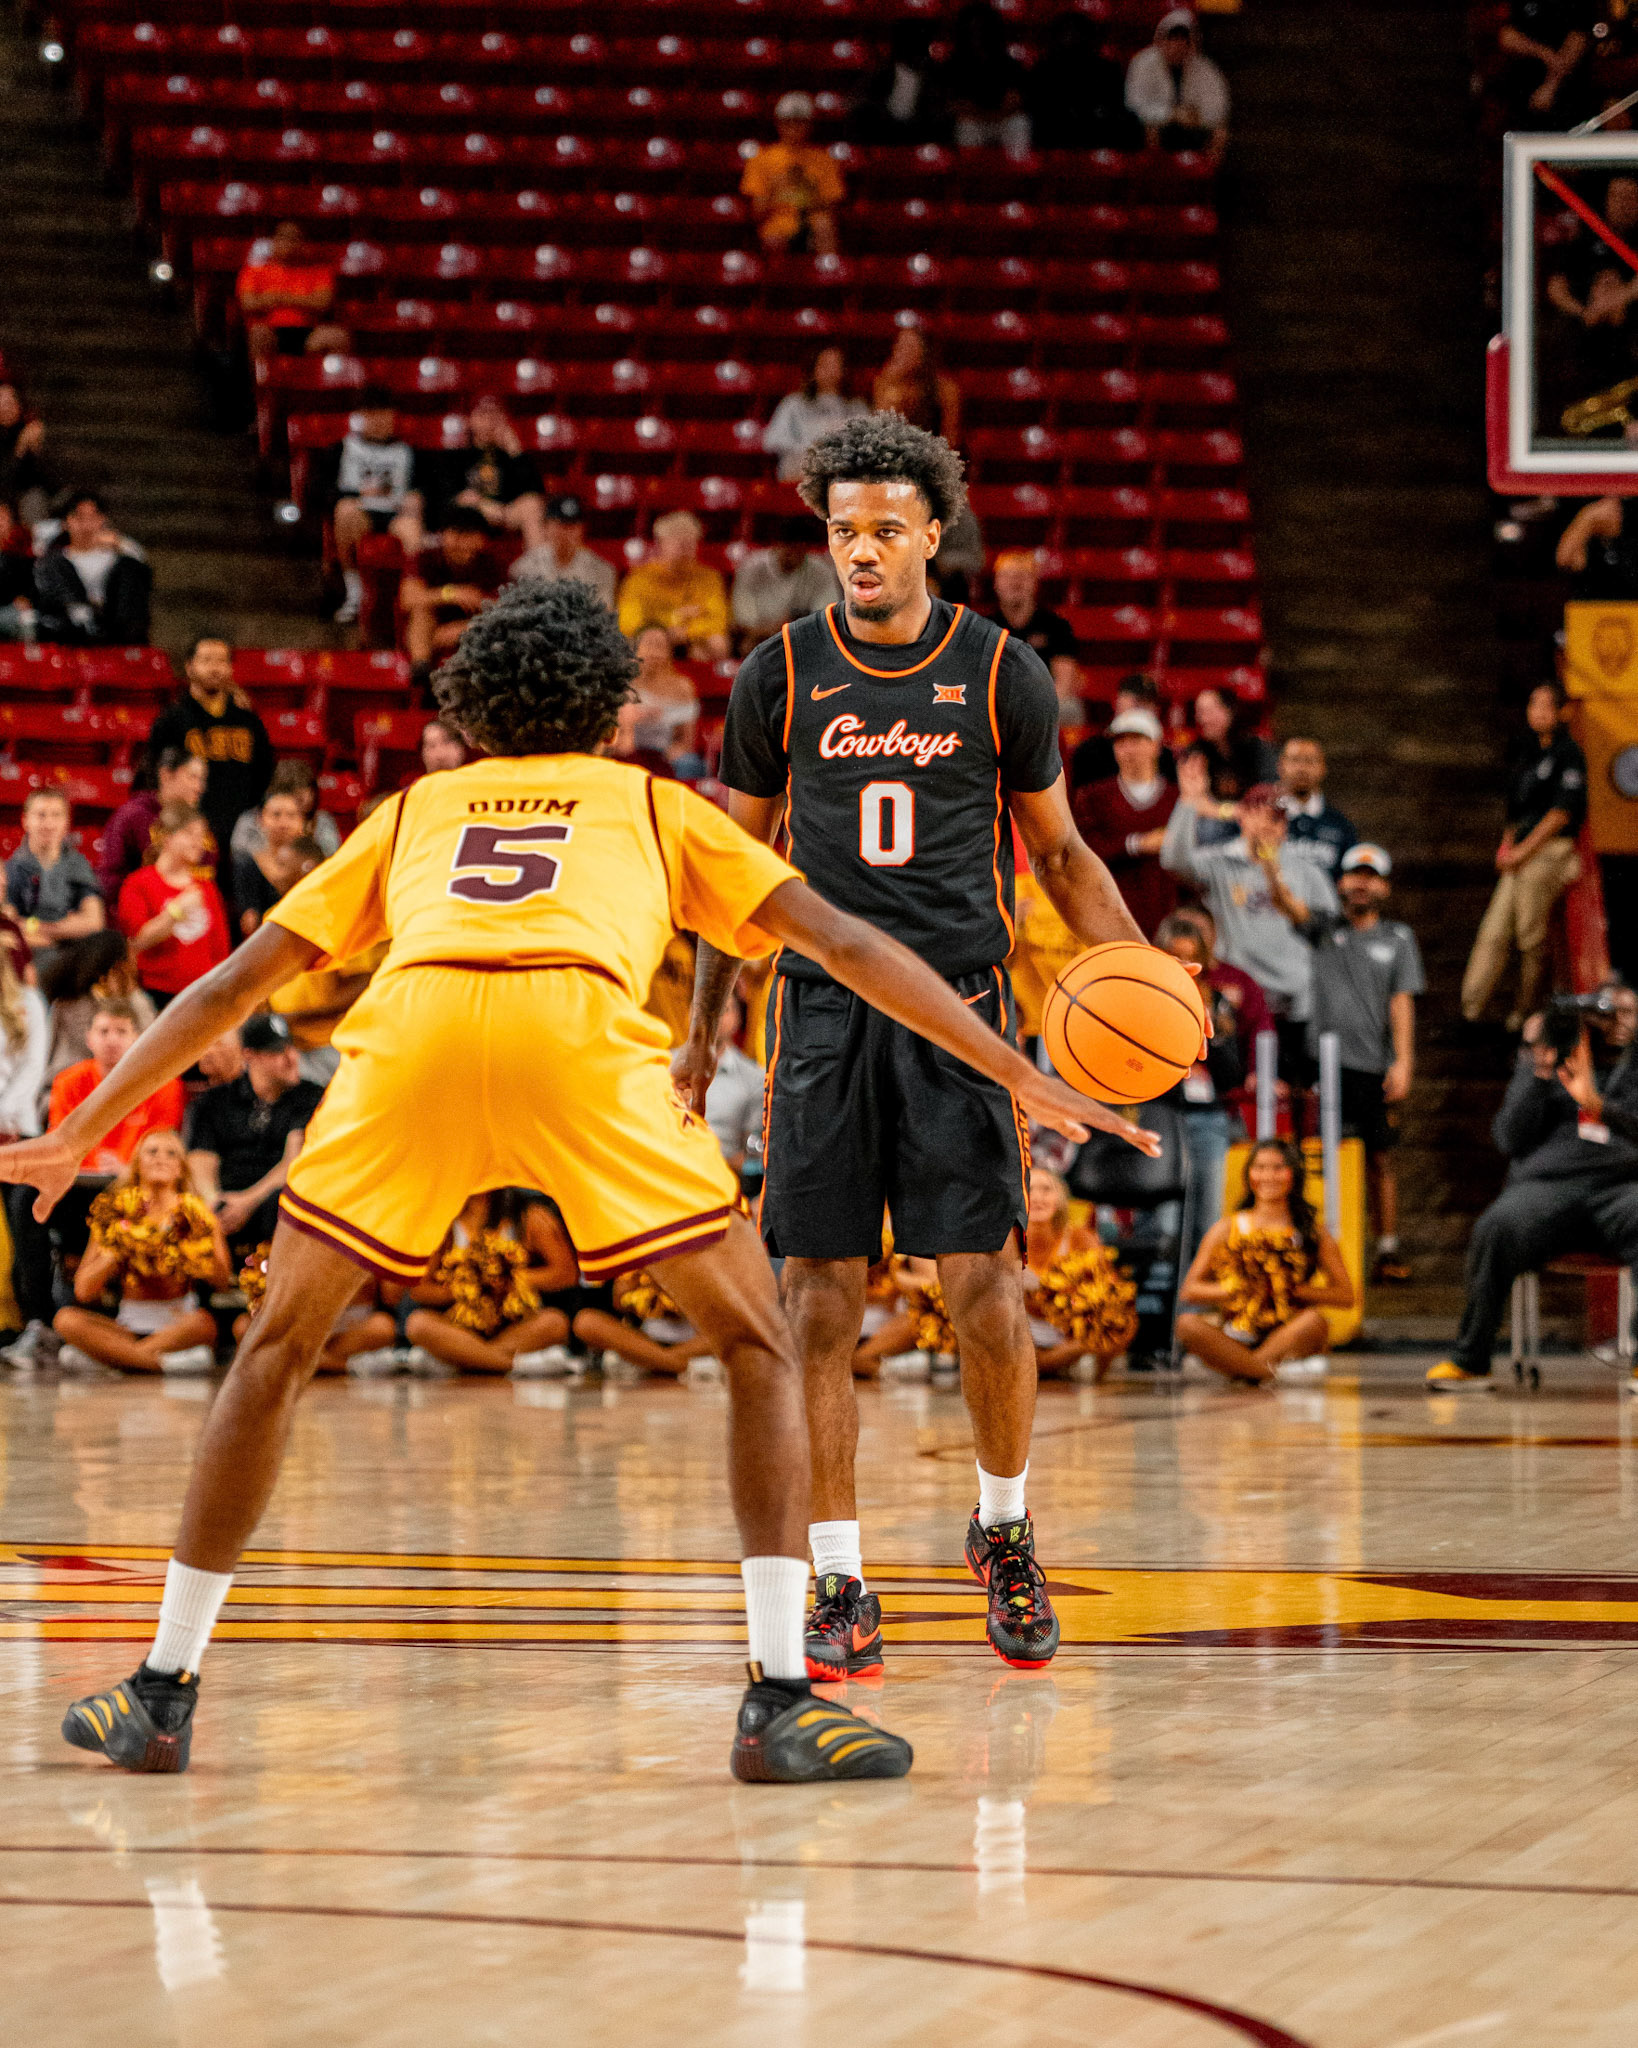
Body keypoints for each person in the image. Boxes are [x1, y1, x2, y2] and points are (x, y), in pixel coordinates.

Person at [10, 577, 1110, 1784]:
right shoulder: (653, 804)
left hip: (415, 1040)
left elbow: (227, 987)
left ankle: (163, 1686)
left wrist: (84, 1127)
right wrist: (1019, 1067)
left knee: (274, 1347)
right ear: (611, 708)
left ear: (473, 712)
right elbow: (847, 942)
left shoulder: (414, 808)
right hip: (576, 1038)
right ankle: (781, 1697)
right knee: (758, 1341)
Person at [675, 410, 1168, 1683]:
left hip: (960, 1010)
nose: (864, 552)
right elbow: (735, 870)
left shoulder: (1002, 670)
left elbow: (1059, 852)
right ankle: (839, 1570)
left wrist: (1139, 974)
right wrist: (700, 1030)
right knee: (817, 1300)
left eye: (888, 529)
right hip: (824, 1016)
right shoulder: (777, 672)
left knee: (986, 1290)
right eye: (844, 532)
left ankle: (1003, 1533)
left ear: (935, 534)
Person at [1428, 1003, 1638, 1386]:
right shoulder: (1541, 1069)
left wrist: (1597, 1104)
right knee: (1497, 1225)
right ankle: (1472, 1361)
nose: (1612, 1022)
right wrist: (1540, 1071)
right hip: (1545, 1190)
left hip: (1621, 1188)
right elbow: (1508, 1138)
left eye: (1623, 1012)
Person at [1262, 842, 1425, 1283]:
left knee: (1381, 1158)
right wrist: (1268, 864)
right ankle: (1309, 1241)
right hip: (1321, 1065)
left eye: (1370, 876)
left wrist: (1404, 1062)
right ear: (1341, 883)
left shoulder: (1398, 938)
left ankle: (1387, 1249)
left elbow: (1402, 1003)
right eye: (1354, 874)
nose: (1361, 883)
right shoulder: (1324, 927)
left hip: (1372, 1065)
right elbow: (1287, 905)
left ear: (1384, 887)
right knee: (1314, 1155)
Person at [1162, 757, 1337, 1082]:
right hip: (1239, 996)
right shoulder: (1221, 860)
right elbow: (1173, 859)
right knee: (1239, 1086)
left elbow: (1326, 928)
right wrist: (1188, 804)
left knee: (1294, 1089)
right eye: (1264, 814)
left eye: (1279, 819)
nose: (1272, 824)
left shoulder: (1306, 870)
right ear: (1244, 816)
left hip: (1293, 998)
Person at [1461, 680, 1588, 1030]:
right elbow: (1515, 814)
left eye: (1547, 706)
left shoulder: (1569, 753)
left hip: (1550, 852)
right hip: (1519, 853)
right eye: (1534, 704)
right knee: (1493, 930)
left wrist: (1522, 853)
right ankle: (1470, 1011)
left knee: (1529, 936)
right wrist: (1507, 849)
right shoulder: (1526, 752)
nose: (1539, 712)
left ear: (1563, 711)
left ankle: (1524, 1012)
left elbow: (1561, 813)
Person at [53, 1130, 229, 1376]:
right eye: (152, 1152)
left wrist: (192, 1249)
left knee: (205, 1324)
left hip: (180, 1327)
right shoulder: (115, 1214)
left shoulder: (198, 1215)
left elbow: (222, 1282)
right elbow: (83, 1290)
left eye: (171, 1153)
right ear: (136, 1165)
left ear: (181, 1168)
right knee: (65, 1320)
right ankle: (160, 1364)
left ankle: (115, 1358)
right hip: (127, 1326)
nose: (161, 1158)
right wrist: (116, 1250)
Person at [1176, 1139, 1353, 1383]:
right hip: (1236, 1330)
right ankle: (1262, 1371)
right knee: (1186, 1324)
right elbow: (1190, 1290)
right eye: (1259, 1167)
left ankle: (1242, 1368)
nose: (1268, 1176)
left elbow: (1346, 1296)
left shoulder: (1313, 1232)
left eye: (1278, 1168)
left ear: (1294, 1174)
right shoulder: (1227, 1227)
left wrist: (1293, 1289)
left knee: (1314, 1322)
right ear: (1249, 1174)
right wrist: (1238, 1289)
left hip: (1286, 1329)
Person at [400, 1189, 588, 1377]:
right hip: (460, 1326)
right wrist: (462, 1287)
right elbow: (418, 1289)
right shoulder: (442, 1220)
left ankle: (461, 1359)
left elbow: (567, 1273)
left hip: (515, 1324)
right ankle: (515, 1365)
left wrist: (514, 1278)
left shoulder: (528, 1215)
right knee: (418, 1324)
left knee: (555, 1322)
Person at [1156, 911, 1251, 1269]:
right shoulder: (1145, 1001)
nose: (1185, 965)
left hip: (1209, 1120)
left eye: (1191, 957)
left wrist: (1208, 1023)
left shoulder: (1217, 1002)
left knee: (1207, 1220)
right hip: (1162, 1119)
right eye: (1175, 956)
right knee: (1164, 1225)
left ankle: (1194, 1312)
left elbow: (1231, 1075)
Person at [185, 1012, 324, 1254]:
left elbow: (293, 1163)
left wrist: (246, 1202)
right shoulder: (214, 1101)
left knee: (287, 1200)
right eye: (277, 1052)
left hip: (273, 1205)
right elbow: (200, 1161)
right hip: (222, 1206)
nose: (291, 1058)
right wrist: (215, 1203)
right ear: (250, 1056)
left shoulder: (310, 1097)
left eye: (291, 1048)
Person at [147, 636, 276, 884]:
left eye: (221, 661)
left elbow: (265, 774)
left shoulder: (249, 721)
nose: (215, 668)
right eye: (206, 660)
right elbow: (155, 775)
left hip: (240, 831)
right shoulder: (171, 720)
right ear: (190, 667)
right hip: (192, 829)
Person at [1072, 708, 1179, 936]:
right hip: (1111, 911)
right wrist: (1136, 844)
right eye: (1121, 741)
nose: (1128, 749)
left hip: (1165, 912)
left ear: (1156, 745)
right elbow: (1084, 849)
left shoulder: (1176, 798)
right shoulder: (1093, 796)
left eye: (1137, 739)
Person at [47, 997, 186, 1173]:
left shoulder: (163, 1085)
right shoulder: (67, 1081)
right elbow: (58, 1139)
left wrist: (129, 1171)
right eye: (103, 1031)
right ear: (88, 1038)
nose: (112, 1040)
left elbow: (164, 1146)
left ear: (137, 1038)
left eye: (121, 1032)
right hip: (76, 1180)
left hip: (139, 1182)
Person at [116, 802, 232, 1007]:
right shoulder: (139, 882)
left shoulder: (207, 888)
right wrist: (177, 911)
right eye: (189, 834)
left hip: (202, 994)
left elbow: (220, 951)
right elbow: (137, 940)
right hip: (156, 993)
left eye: (201, 835)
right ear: (167, 837)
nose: (198, 843)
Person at [401, 396, 546, 557]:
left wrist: (515, 451)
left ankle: (539, 570)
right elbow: (450, 495)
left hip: (503, 515)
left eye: (495, 414)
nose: (490, 421)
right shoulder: (457, 454)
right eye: (483, 414)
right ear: (471, 419)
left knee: (532, 505)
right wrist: (483, 506)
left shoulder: (512, 457)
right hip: (469, 517)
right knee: (466, 499)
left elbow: (535, 491)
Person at [325, 396, 418, 626]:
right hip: (360, 510)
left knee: (413, 527)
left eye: (385, 414)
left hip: (396, 513)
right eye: (373, 414)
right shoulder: (344, 447)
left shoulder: (406, 451)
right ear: (362, 417)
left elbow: (423, 488)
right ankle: (354, 591)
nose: (379, 421)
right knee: (345, 510)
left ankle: (412, 591)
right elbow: (322, 491)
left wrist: (417, 497)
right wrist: (359, 494)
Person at [5, 787, 105, 973]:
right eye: (41, 815)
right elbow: (8, 930)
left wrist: (33, 926)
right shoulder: (10, 870)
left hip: (74, 957)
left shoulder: (79, 865)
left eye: (56, 815)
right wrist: (66, 927)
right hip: (29, 960)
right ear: (25, 820)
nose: (49, 824)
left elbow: (94, 922)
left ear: (67, 822)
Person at [33, 491, 152, 647]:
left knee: (130, 568)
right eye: (79, 518)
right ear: (66, 522)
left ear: (102, 519)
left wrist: (118, 543)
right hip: (72, 629)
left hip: (114, 627)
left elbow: (143, 564)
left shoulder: (118, 557)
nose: (86, 525)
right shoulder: (55, 561)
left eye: (92, 517)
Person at [99, 747, 209, 906]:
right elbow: (110, 878)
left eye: (202, 779)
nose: (199, 788)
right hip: (145, 912)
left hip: (194, 913)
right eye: (192, 777)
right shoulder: (132, 815)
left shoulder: (200, 821)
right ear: (166, 776)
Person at [616, 510, 731, 661]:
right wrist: (671, 624)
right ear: (660, 543)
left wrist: (687, 632)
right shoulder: (639, 578)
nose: (684, 548)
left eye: (690, 542)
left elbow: (718, 622)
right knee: (630, 646)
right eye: (677, 541)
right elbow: (627, 622)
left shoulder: (710, 578)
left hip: (691, 642)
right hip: (651, 639)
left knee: (718, 644)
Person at [397, 507, 504, 669]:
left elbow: (503, 610)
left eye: (470, 535)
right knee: (421, 612)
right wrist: (452, 593)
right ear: (443, 535)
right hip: (429, 629)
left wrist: (465, 627)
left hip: (470, 626)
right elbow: (408, 599)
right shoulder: (425, 558)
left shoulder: (491, 564)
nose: (463, 542)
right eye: (457, 534)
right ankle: (421, 669)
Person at [740, 91, 844, 257]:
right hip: (778, 223)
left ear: (810, 125)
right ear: (778, 123)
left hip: (813, 221)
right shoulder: (761, 159)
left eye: (800, 122)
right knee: (774, 240)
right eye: (788, 122)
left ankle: (827, 279)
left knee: (824, 227)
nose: (794, 128)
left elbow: (832, 205)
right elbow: (757, 212)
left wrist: (807, 188)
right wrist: (775, 188)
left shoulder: (824, 160)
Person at [1026, 10, 1141, 152]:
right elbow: (1037, 105)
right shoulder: (1043, 68)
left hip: (1095, 125)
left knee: (1129, 122)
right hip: (1055, 127)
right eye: (1067, 34)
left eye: (1078, 33)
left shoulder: (1107, 69)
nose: (1072, 38)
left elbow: (1114, 104)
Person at [235, 219, 347, 365]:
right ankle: (262, 385)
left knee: (337, 336)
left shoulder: (319, 271)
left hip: (309, 332)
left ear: (303, 243)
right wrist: (303, 300)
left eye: (295, 238)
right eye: (283, 237)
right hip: (269, 330)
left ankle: (327, 385)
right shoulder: (253, 271)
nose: (288, 243)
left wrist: (278, 298)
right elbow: (248, 304)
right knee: (258, 334)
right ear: (274, 241)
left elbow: (322, 303)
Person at [1125, 7, 1230, 160]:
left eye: (1183, 40)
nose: (1177, 45)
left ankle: (1204, 178)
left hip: (1191, 130)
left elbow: (1218, 109)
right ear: (1161, 40)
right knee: (1149, 130)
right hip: (1158, 127)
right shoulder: (1143, 63)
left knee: (1220, 133)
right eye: (1172, 39)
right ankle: (1154, 171)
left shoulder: (1206, 69)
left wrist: (1195, 117)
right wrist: (1171, 114)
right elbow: (1135, 104)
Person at [988, 552, 1081, 718]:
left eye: (1023, 576)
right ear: (996, 583)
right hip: (997, 703)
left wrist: (1035, 712)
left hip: (1044, 703)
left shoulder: (1057, 626)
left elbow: (1064, 682)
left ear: (1035, 583)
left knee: (1070, 710)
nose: (1015, 582)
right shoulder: (984, 627)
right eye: (1008, 576)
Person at [762, 349, 867, 484]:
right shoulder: (793, 404)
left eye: (836, 365)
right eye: (825, 365)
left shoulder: (857, 407)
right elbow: (772, 441)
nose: (831, 371)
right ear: (814, 369)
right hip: (802, 474)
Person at [940, 0, 1032, 153]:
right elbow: (955, 107)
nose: (977, 35)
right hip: (972, 123)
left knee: (1019, 122)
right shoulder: (953, 65)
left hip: (1001, 120)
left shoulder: (1009, 64)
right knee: (966, 126)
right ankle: (970, 173)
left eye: (981, 30)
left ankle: (1016, 173)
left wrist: (986, 115)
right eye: (972, 30)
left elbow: (1014, 103)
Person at [731, 526, 842, 650]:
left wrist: (789, 628)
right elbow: (743, 621)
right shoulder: (752, 567)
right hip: (757, 638)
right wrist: (775, 629)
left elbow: (826, 618)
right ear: (776, 545)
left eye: (798, 549)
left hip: (801, 637)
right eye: (788, 548)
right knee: (748, 646)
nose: (793, 554)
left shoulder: (820, 571)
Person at [1068, 674, 1177, 793]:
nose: (1140, 710)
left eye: (1148, 704)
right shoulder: (1090, 752)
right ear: (1116, 702)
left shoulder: (1165, 757)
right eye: (1136, 702)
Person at [508, 493, 617, 608]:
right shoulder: (525, 568)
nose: (566, 533)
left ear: (582, 529)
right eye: (560, 525)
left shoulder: (600, 571)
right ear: (546, 527)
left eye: (573, 526)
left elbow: (602, 615)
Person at [1189, 685, 1278, 821]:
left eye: (1208, 712)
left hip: (1254, 821)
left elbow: (1269, 793)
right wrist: (1231, 812)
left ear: (1229, 711)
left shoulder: (1257, 747)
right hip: (1213, 822)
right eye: (1199, 713)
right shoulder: (1196, 751)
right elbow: (1194, 803)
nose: (1202, 719)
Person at [231, 788, 310, 938]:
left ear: (302, 820)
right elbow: (248, 926)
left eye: (291, 815)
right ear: (260, 819)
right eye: (276, 815)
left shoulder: (313, 864)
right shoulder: (246, 864)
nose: (283, 823)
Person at [230, 758, 340, 865]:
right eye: (296, 797)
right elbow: (241, 857)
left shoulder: (322, 821)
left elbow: (331, 860)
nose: (306, 798)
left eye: (309, 790)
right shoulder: (250, 821)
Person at [1276, 736, 1358, 878]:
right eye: (1295, 760)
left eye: (1310, 761)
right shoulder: (1265, 820)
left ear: (1323, 768)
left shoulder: (1341, 825)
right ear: (1280, 766)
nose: (1302, 769)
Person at [703, 992, 764, 1177]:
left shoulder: (754, 1077)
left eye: (724, 1010)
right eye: (704, 1007)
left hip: (722, 1179)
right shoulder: (663, 1066)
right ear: (690, 1013)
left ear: (737, 1018)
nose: (713, 1015)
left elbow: (752, 1156)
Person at [872, 327, 961, 448]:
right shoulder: (886, 381)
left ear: (923, 352)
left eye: (909, 347)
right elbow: (882, 428)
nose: (903, 353)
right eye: (900, 347)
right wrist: (892, 384)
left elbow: (950, 437)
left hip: (934, 456)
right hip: (896, 453)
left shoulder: (945, 388)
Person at [628, 627, 702, 772]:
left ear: (669, 652)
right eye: (648, 644)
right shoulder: (626, 684)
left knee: (688, 764)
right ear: (635, 649)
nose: (654, 652)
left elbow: (687, 741)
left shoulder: (683, 687)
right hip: (632, 751)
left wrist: (674, 752)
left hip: (667, 753)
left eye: (660, 646)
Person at [0, 383, 54, 524]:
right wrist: (19, 450)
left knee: (34, 499)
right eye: (1, 403)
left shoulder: (32, 430)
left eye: (9, 403)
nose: (5, 408)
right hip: (4, 494)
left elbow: (42, 476)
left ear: (19, 405)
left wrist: (34, 448)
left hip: (25, 495)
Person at [0, 496, 37, 640]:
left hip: (7, 613)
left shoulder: (18, 559)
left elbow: (28, 590)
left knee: (27, 616)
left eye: (3, 518)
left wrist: (23, 598)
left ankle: (31, 661)